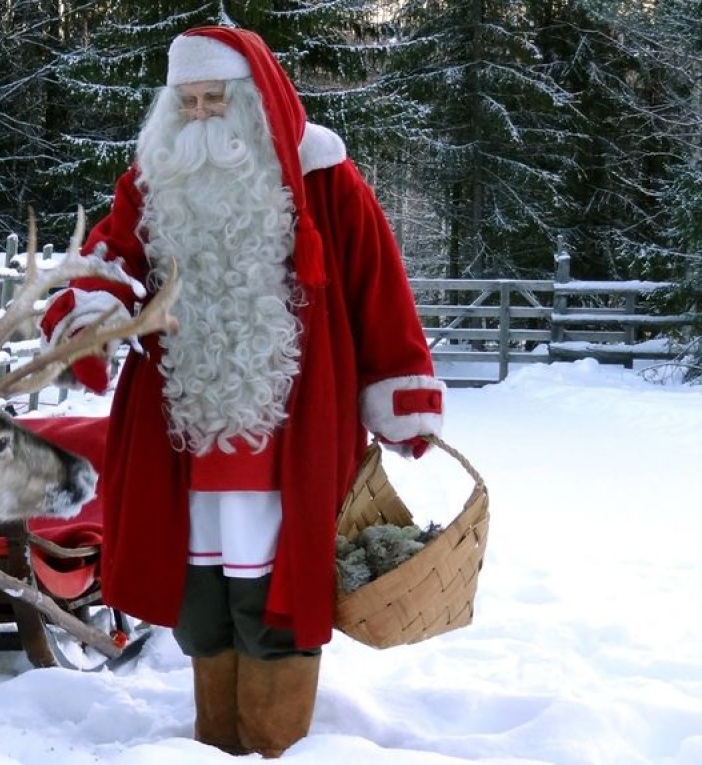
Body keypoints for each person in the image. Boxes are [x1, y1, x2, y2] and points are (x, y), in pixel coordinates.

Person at [38, 26, 444, 758]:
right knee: (202, 600)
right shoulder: (153, 179)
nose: (198, 116)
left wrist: (397, 388)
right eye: (185, 101)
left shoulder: (323, 175)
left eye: (212, 99)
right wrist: (94, 308)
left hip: (289, 436)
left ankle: (274, 744)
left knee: (277, 600)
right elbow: (110, 256)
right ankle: (213, 744)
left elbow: (376, 284)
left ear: (254, 102)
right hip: (183, 436)